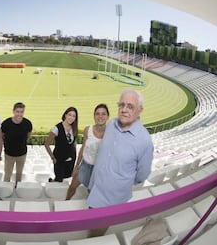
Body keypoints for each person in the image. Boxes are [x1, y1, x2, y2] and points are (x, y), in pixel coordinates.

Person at [87, 89, 154, 236]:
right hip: (95, 188)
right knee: (90, 223)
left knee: (94, 236)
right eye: (121, 105)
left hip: (112, 198)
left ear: (140, 110)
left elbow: (141, 176)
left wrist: (120, 180)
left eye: (130, 107)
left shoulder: (144, 141)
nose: (124, 110)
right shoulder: (111, 125)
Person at [65, 104, 109, 200]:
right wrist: (76, 167)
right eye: (97, 114)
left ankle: (90, 210)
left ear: (107, 116)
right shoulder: (88, 130)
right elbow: (83, 148)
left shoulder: (111, 133)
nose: (100, 116)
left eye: (103, 114)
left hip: (98, 169)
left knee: (92, 191)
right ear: (94, 116)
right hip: (85, 165)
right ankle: (65, 202)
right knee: (72, 187)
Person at [1, 102, 32, 187]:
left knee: (19, 175)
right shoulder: (6, 123)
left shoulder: (27, 123)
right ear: (13, 111)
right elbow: (1, 136)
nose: (19, 114)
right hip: (9, 155)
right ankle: (5, 189)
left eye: (21, 112)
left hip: (22, 154)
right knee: (7, 175)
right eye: (17, 111)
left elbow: (28, 136)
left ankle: (17, 189)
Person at [45, 107, 78, 182]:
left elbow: (74, 142)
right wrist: (52, 158)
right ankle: (53, 181)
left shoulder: (74, 128)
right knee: (59, 179)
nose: (71, 117)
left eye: (74, 116)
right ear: (65, 115)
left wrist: (74, 153)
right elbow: (46, 144)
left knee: (67, 177)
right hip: (59, 159)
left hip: (71, 159)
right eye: (70, 115)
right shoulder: (56, 128)